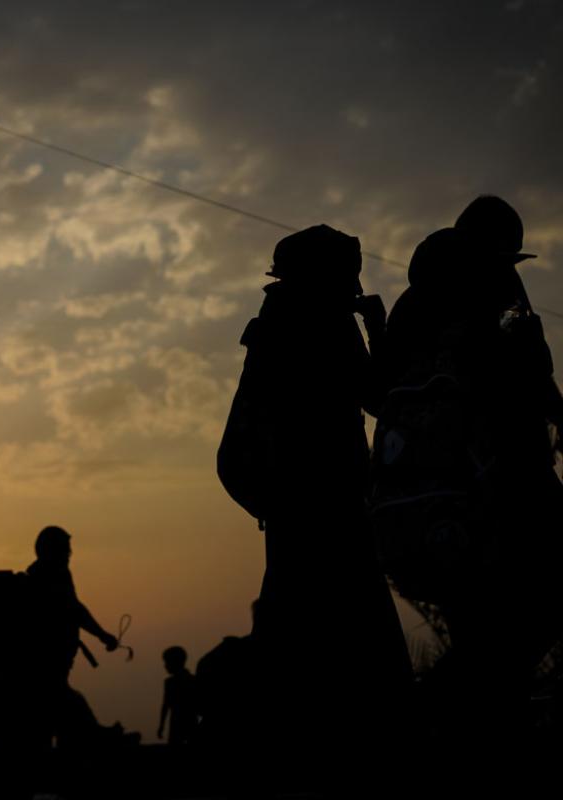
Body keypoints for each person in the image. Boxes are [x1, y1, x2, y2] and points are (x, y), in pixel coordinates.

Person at [228, 225, 411, 777]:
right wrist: (380, 328)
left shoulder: (274, 324)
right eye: (349, 272)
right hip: (328, 501)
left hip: (290, 505)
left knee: (292, 630)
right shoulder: (324, 322)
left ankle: (274, 749)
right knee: (361, 642)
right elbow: (382, 397)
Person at [381, 197, 563, 749]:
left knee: (480, 622)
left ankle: (469, 732)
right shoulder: (497, 287)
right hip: (504, 482)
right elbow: (532, 372)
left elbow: (381, 392)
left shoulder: (412, 302)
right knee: (537, 603)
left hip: (425, 499)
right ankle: (439, 717)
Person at [0, 526, 125, 753]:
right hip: (44, 664)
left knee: (55, 713)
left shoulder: (49, 576)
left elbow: (74, 608)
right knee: (64, 706)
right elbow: (74, 609)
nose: (69, 555)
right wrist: (102, 635)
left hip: (50, 664)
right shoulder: (49, 578)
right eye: (65, 550)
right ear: (48, 551)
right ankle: (97, 738)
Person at [157, 646, 198, 745]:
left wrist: (161, 726)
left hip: (177, 723)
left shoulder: (170, 683)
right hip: (191, 721)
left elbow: (165, 705)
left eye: (166, 662)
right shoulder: (193, 680)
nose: (165, 666)